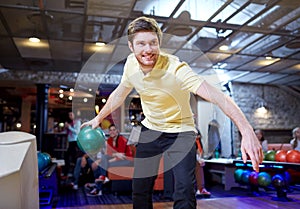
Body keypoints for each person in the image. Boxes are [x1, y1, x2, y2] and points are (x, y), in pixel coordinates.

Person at [81, 16, 263, 209]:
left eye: (153, 43)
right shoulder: (130, 65)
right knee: (140, 188)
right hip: (150, 129)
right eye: (141, 43)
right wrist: (99, 118)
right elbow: (120, 93)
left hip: (181, 131)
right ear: (131, 46)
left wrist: (247, 131)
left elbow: (218, 97)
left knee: (184, 190)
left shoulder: (176, 69)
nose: (148, 49)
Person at [86, 124, 134, 196]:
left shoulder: (122, 140)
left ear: (117, 131)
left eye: (114, 130)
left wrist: (110, 159)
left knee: (103, 163)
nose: (112, 132)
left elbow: (122, 156)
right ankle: (101, 181)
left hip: (127, 161)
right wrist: (115, 154)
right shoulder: (109, 140)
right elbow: (108, 153)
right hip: (117, 159)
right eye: (110, 130)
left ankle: (98, 187)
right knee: (103, 160)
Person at [63, 111, 81, 176]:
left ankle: (71, 173)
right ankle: (69, 173)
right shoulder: (72, 122)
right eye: (69, 115)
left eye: (71, 114)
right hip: (71, 142)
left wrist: (69, 127)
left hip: (74, 142)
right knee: (70, 157)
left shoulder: (77, 122)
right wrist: (67, 127)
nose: (70, 116)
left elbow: (77, 132)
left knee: (71, 157)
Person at [195, 130, 211, 197]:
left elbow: (200, 153)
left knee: (204, 166)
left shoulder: (199, 143)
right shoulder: (192, 142)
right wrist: (198, 159)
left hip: (198, 159)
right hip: (192, 159)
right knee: (198, 165)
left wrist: (201, 158)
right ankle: (200, 188)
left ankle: (201, 188)